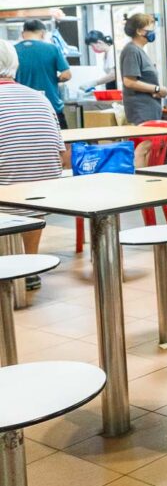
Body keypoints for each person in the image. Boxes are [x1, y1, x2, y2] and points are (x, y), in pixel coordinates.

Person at [0, 41, 64, 289]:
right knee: (26, 187)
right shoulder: (39, 98)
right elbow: (60, 154)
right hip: (43, 189)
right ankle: (29, 265)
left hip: (8, 187)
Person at [15, 19, 72, 129]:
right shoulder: (52, 49)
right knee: (64, 142)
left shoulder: (13, 50)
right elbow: (66, 75)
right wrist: (54, 79)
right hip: (50, 106)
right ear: (42, 33)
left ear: (23, 34)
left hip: (22, 109)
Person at [120, 13, 167, 125]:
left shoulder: (140, 51)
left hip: (150, 110)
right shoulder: (132, 51)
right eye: (150, 28)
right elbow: (129, 82)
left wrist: (157, 91)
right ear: (139, 31)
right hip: (141, 112)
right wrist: (157, 89)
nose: (153, 31)